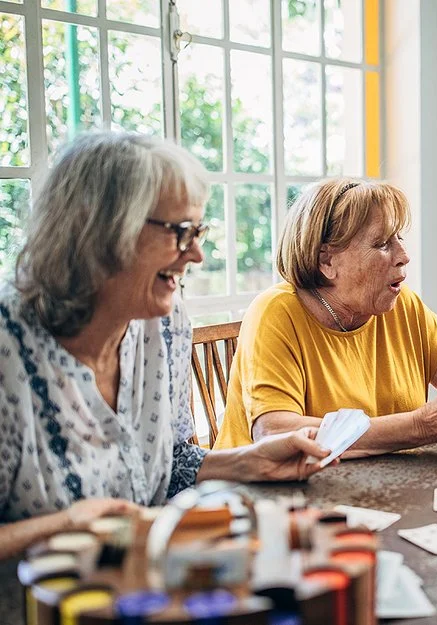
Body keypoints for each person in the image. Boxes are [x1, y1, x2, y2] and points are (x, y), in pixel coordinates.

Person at [0, 132, 337, 560]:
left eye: (199, 231)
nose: (196, 254)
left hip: (140, 587)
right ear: (98, 231)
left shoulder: (166, 323)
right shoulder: (7, 348)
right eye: (181, 232)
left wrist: (247, 461)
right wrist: (64, 526)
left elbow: (168, 462)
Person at [212, 178, 437, 454]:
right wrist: (420, 426)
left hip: (376, 492)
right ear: (326, 260)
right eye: (382, 243)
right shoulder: (275, 312)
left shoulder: (403, 304)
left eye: (399, 237)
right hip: (266, 500)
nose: (403, 255)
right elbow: (274, 431)